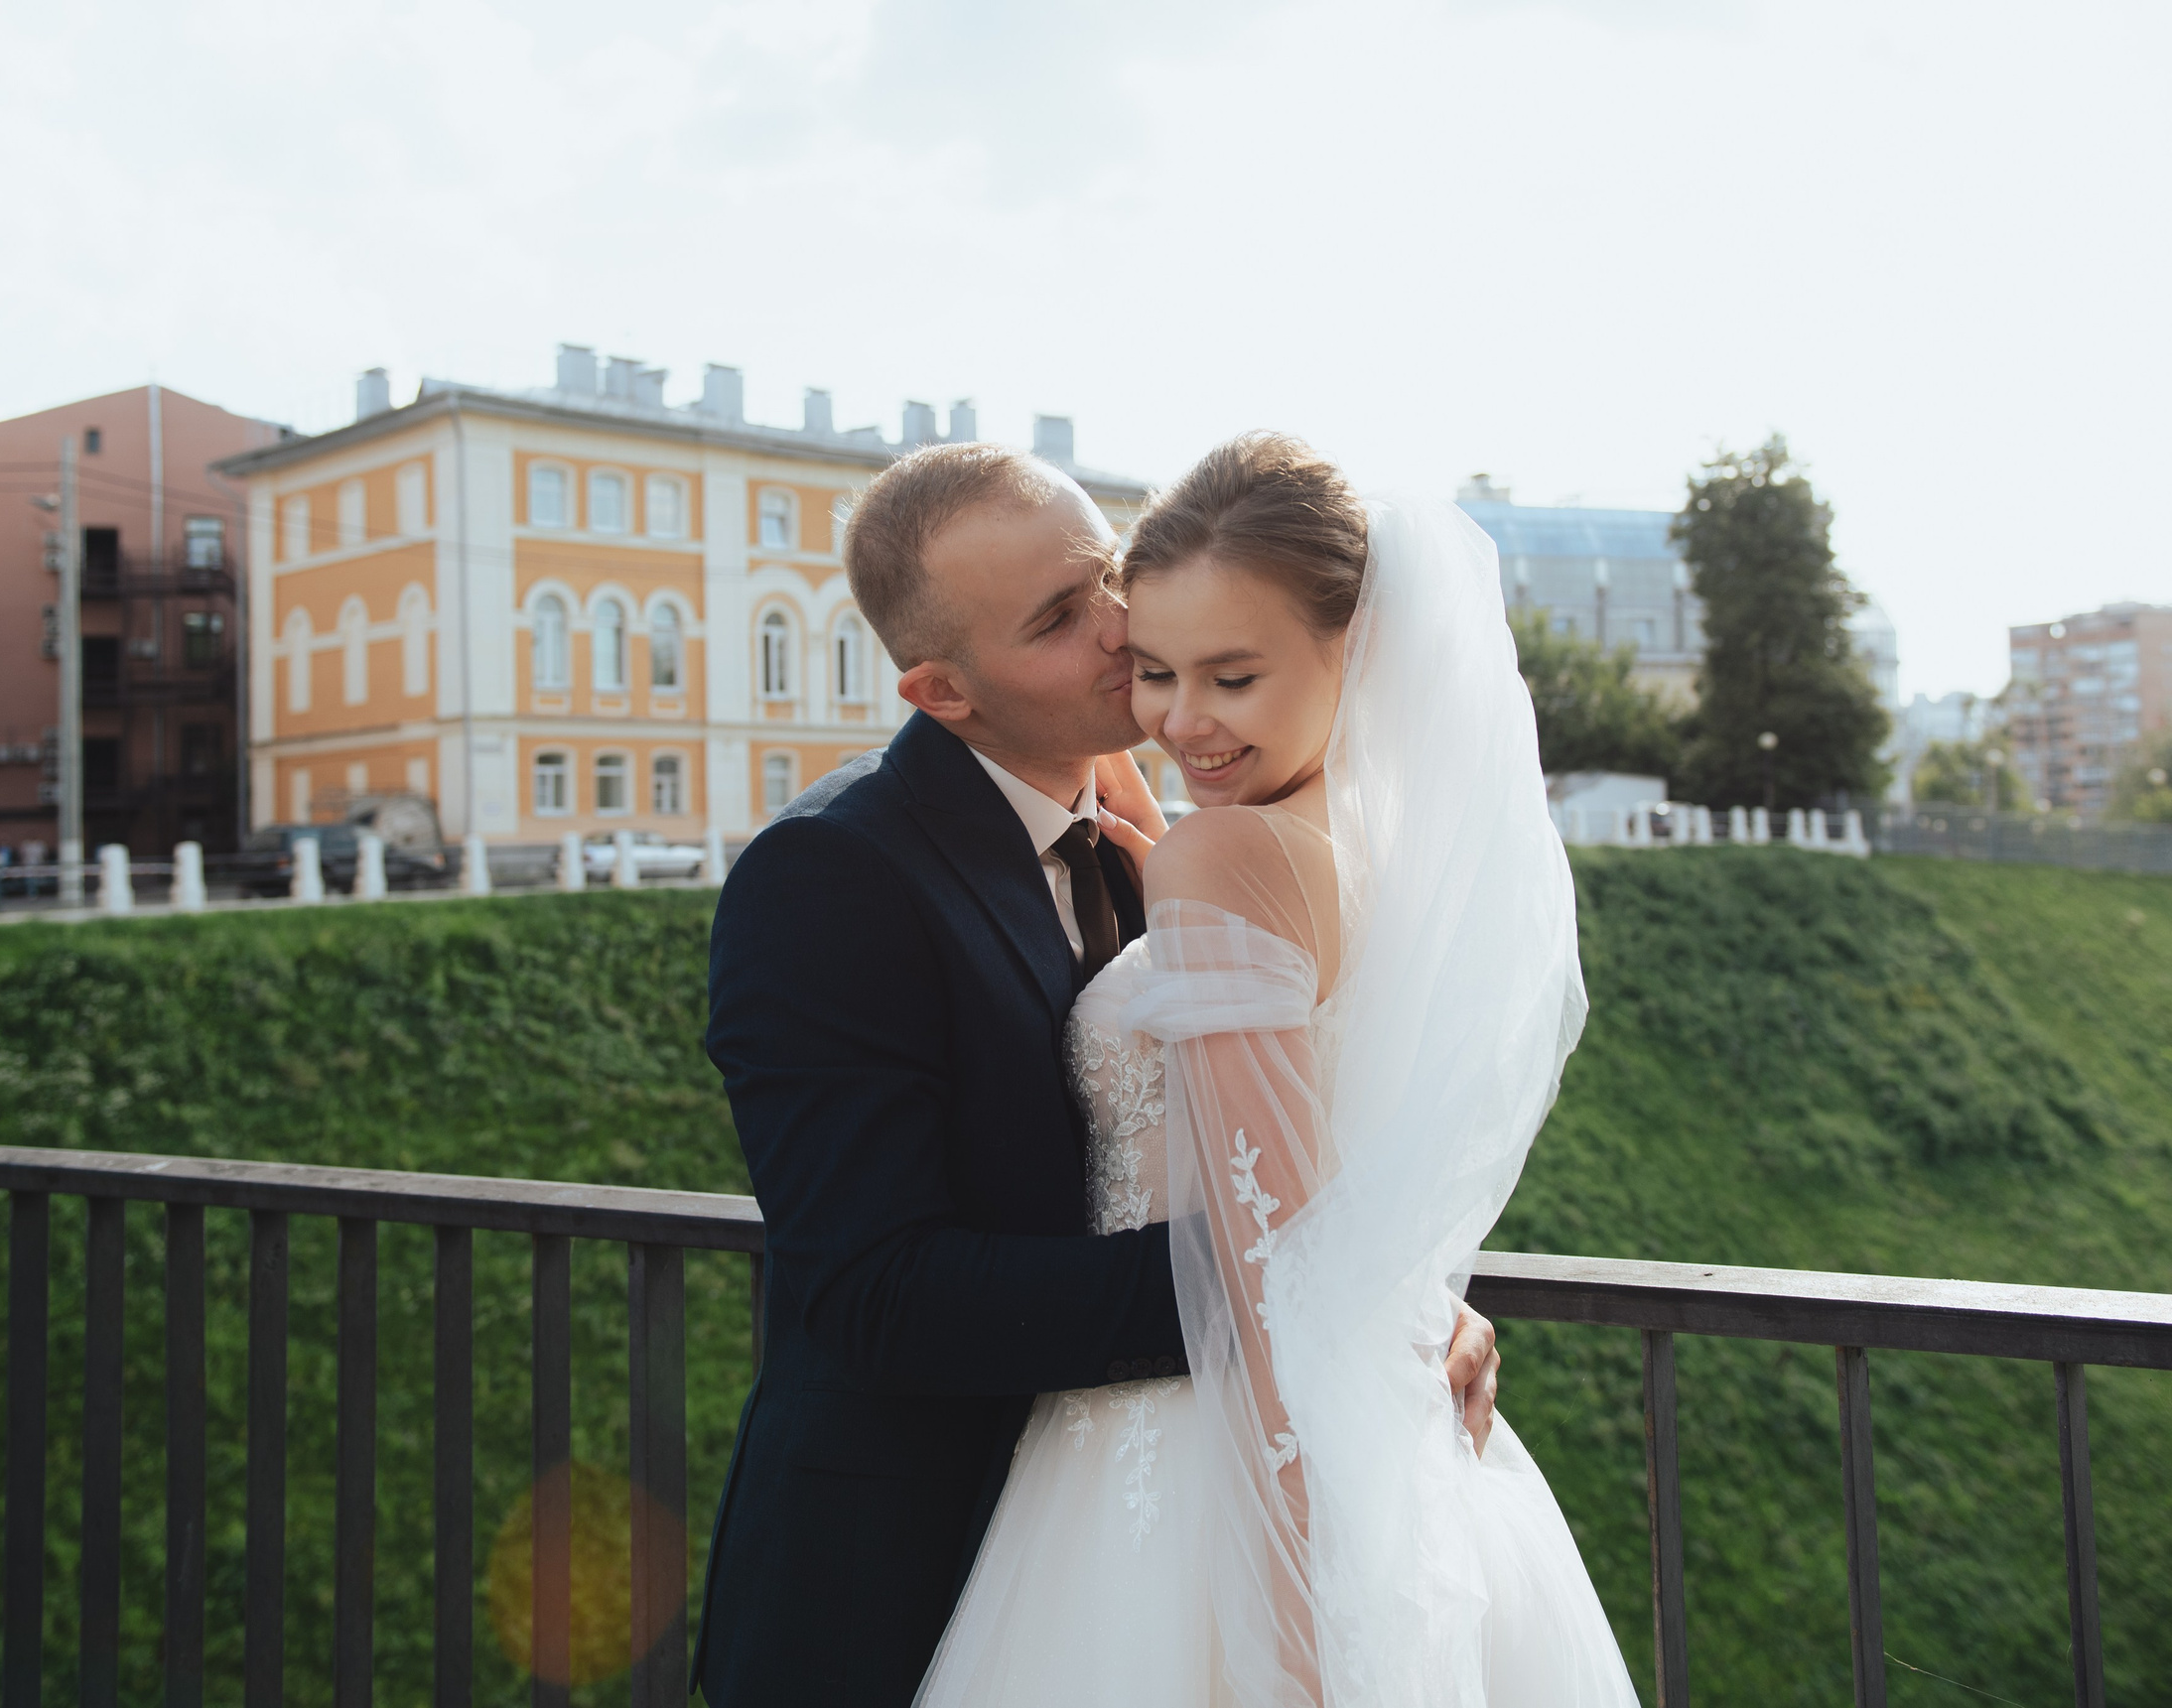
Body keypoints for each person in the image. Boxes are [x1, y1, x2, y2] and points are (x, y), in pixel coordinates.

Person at [695, 443, 1502, 1706]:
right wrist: (1318, 1299)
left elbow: (1246, 1130)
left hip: (1152, 1534)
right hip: (907, 1569)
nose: (1123, 627)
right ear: (941, 691)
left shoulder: (1146, 819)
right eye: (1060, 617)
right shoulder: (825, 876)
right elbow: (877, 1291)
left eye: (1106, 575)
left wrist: (1385, 1298)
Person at [915, 435, 1636, 1705]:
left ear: (1357, 648)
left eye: (1233, 676)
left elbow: (1269, 1276)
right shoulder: (1370, 847)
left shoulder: (1222, 858)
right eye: (1155, 672)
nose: (1181, 720)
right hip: (1374, 1428)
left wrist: (1305, 1611)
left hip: (1201, 1460)